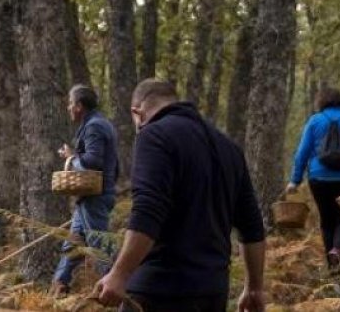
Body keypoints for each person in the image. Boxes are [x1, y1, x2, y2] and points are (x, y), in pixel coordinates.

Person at [93, 78, 267, 312]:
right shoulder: (229, 147)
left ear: (138, 113)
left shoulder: (153, 135)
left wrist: (120, 274)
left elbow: (148, 210)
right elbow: (252, 226)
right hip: (212, 293)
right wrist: (254, 287)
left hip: (158, 291)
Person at [285, 87, 340, 271]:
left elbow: (302, 153)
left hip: (319, 178)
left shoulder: (315, 121)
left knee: (326, 220)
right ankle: (337, 250)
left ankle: (333, 268)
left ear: (321, 102)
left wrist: (295, 180)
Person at [52, 84, 120, 295]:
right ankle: (58, 287)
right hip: (91, 196)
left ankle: (120, 290)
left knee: (99, 246)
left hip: (95, 197)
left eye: (70, 103)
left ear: (79, 106)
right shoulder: (100, 123)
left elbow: (92, 162)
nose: (68, 108)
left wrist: (71, 157)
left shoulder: (94, 127)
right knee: (73, 243)